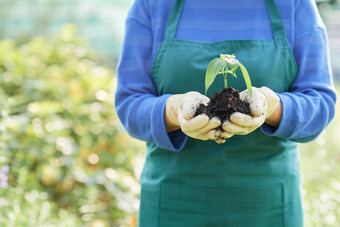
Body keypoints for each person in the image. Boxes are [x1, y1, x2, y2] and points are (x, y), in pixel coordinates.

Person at [115, 0, 337, 226]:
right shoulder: (152, 5)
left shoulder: (294, 5)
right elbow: (129, 103)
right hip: (174, 202)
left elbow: (320, 102)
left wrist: (271, 105)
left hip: (267, 205)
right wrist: (173, 109)